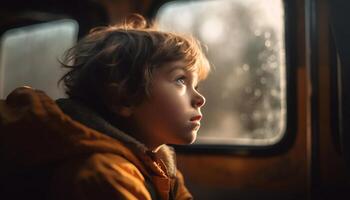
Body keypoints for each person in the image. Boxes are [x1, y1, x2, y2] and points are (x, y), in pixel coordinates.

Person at [0, 14, 210, 200]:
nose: (200, 98)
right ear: (124, 98)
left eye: (196, 85)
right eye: (181, 80)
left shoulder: (160, 164)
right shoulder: (104, 174)